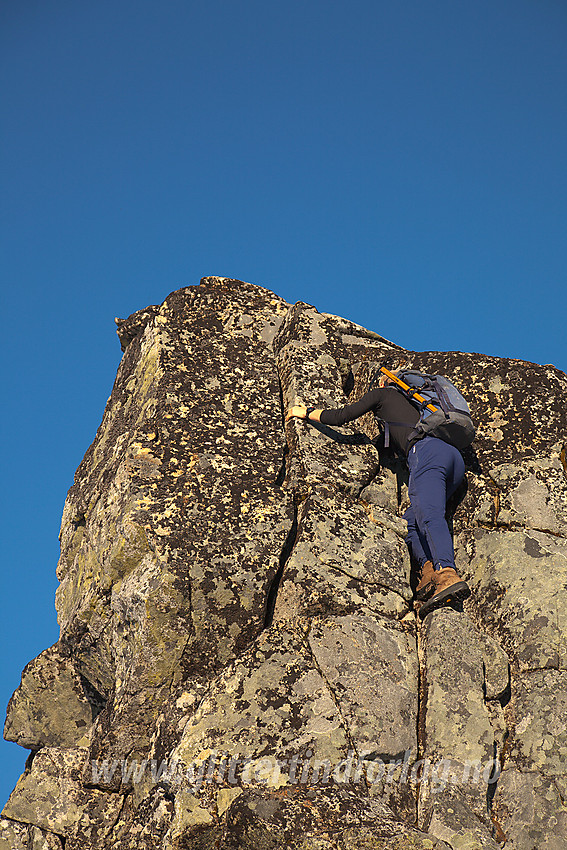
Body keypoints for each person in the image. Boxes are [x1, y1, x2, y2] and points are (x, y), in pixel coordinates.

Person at [286, 371, 471, 618]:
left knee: (429, 514)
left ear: (386, 383)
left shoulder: (382, 394)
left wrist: (306, 412)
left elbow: (342, 416)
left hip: (427, 453)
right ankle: (428, 574)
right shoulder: (423, 408)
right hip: (455, 461)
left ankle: (447, 574)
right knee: (411, 521)